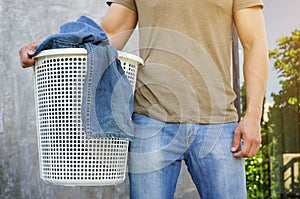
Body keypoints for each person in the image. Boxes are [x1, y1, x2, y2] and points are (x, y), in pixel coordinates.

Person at [19, 0, 269, 198]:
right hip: (151, 122)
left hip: (219, 123)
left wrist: (253, 115)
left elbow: (254, 42)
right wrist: (49, 45)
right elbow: (110, 33)